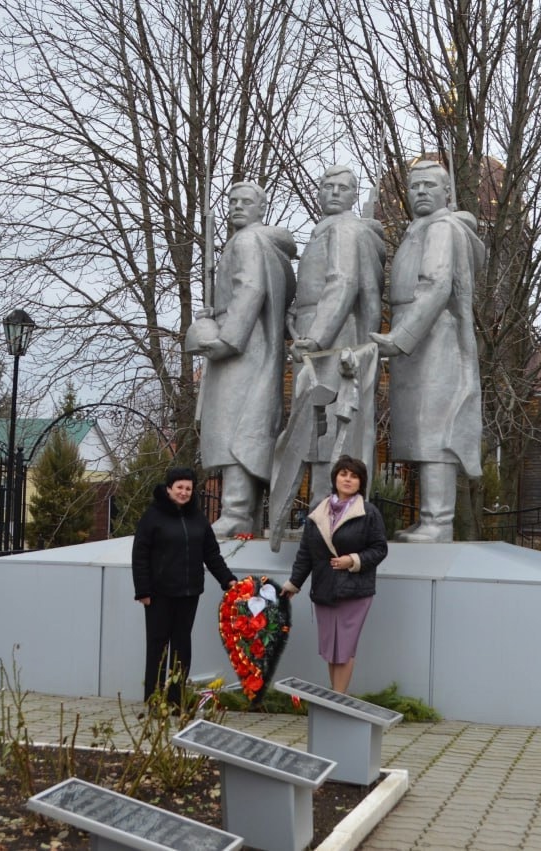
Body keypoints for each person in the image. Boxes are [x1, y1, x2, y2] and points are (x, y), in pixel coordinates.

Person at [370, 160, 486, 542]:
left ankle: (439, 520)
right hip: (418, 337)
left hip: (434, 337)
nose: (419, 192)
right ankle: (429, 518)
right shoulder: (418, 230)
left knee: (437, 428)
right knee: (421, 429)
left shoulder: (441, 228)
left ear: (446, 194)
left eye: (428, 186)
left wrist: (399, 337)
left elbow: (436, 285)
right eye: (414, 186)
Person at [186, 182, 296, 536]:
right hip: (262, 347)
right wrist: (216, 309)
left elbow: (250, 290)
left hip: (243, 350)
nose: (236, 206)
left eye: (246, 201)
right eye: (232, 201)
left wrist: (226, 339)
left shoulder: (248, 241)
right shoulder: (271, 247)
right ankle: (244, 513)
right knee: (249, 426)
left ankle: (235, 511)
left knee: (238, 428)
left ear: (261, 207)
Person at [287, 165, 385, 500]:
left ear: (354, 195)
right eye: (327, 186)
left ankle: (326, 504)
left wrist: (315, 338)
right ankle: (321, 503)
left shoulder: (344, 227)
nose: (332, 193)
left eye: (342, 188)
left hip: (330, 337)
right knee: (318, 424)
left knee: (327, 419)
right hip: (316, 329)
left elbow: (342, 284)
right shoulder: (325, 228)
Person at [280, 456, 388, 693]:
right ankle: (334, 697)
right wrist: (293, 584)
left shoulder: (368, 513)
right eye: (343, 474)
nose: (348, 479)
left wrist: (353, 560)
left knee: (345, 648)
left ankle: (339, 701)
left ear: (361, 482)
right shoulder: (319, 512)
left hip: (355, 590)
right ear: (335, 478)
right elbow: (306, 552)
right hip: (325, 588)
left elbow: (380, 549)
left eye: (354, 476)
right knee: (332, 649)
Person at [132, 466, 237, 703]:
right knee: (158, 648)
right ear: (169, 488)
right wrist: (143, 590)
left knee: (182, 649)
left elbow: (211, 554)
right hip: (159, 594)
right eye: (179, 487)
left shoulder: (197, 518)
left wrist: (227, 580)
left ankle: (176, 700)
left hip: (189, 593)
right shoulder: (153, 516)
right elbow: (140, 554)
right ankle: (154, 699)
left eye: (188, 488)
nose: (184, 492)